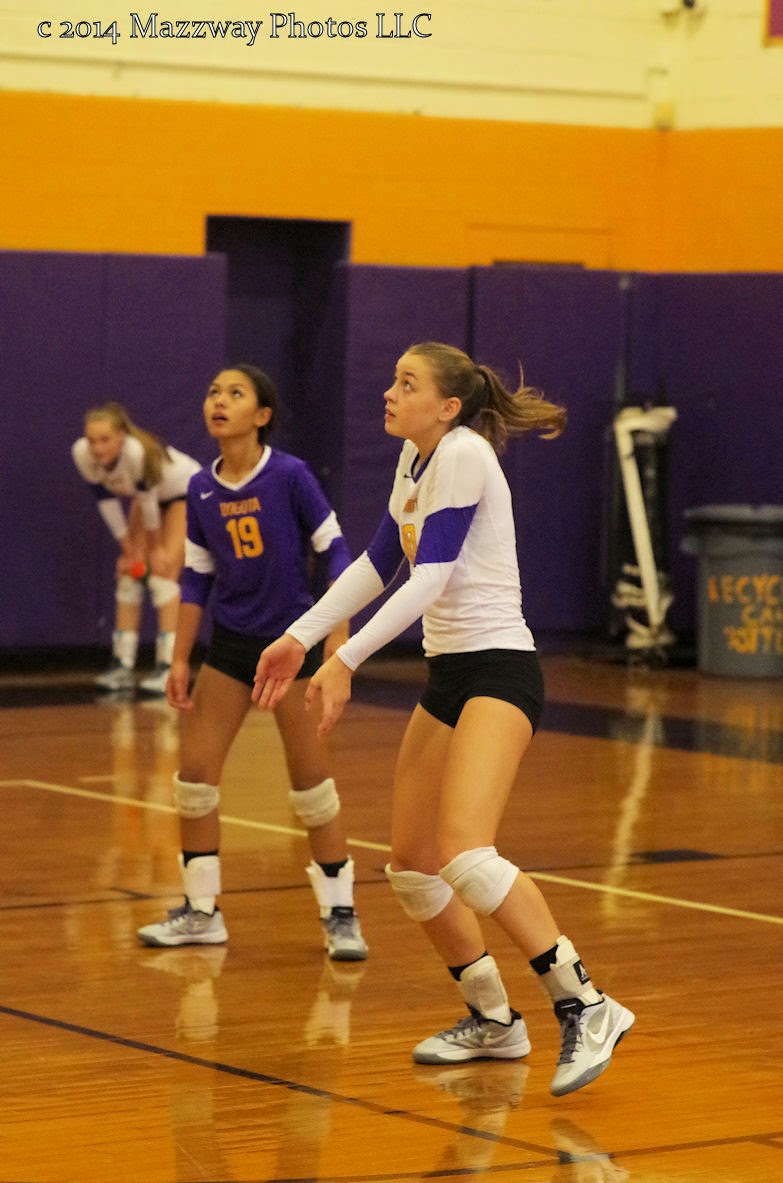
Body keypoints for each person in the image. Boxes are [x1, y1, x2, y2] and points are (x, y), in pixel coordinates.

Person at [253, 341, 634, 1096]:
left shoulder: (463, 453)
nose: (389, 393)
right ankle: (493, 1020)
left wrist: (344, 659)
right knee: (413, 867)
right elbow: (376, 563)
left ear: (448, 406)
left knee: (466, 852)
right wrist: (299, 637)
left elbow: (430, 576)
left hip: (499, 669)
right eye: (393, 380)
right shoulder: (415, 458)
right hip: (451, 675)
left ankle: (587, 1003)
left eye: (407, 383)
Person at [136, 364, 368, 962]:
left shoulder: (290, 476)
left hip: (292, 645)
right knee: (194, 779)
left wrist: (337, 643)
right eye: (214, 391)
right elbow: (196, 577)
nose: (219, 401)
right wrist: (179, 658)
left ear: (261, 415)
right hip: (234, 646)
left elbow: (337, 553)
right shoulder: (200, 487)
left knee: (312, 786)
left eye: (235, 393)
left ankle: (341, 914)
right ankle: (201, 912)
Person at [72, 402, 201, 694]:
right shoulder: (82, 454)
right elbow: (107, 503)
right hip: (148, 502)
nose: (97, 448)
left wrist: (155, 549)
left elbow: (149, 502)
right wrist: (128, 551)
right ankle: (122, 665)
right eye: (92, 440)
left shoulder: (136, 453)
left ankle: (168, 667)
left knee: (162, 576)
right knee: (130, 573)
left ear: (121, 436)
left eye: (105, 440)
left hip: (184, 494)